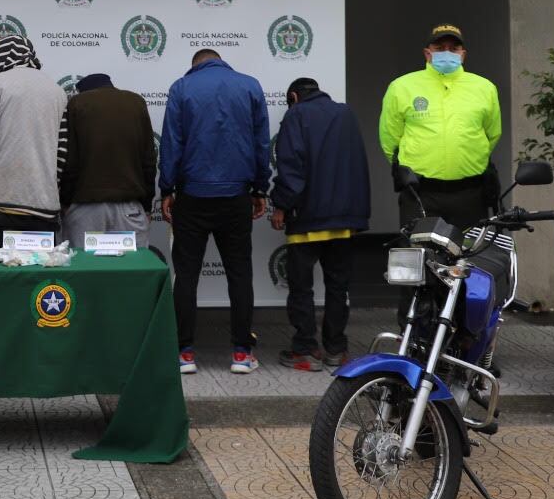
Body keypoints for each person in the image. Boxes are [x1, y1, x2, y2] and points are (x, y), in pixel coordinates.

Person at [159, 49, 270, 375]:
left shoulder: (182, 87)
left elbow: (171, 143)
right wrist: (260, 188)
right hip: (236, 195)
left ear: (195, 65)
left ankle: (184, 354)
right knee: (240, 273)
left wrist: (167, 188)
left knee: (186, 275)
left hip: (192, 194)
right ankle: (240, 353)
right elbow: (261, 143)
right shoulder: (249, 85)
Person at [270, 77, 371, 372]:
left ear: (293, 96)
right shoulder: (346, 113)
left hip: (307, 218)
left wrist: (282, 204)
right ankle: (336, 351)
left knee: (301, 288)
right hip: (344, 220)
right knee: (338, 287)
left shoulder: (296, 115)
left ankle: (305, 349)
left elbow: (291, 165)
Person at [379, 24, 502, 230]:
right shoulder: (401, 87)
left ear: (463, 55)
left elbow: (492, 134)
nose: (447, 53)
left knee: (469, 258)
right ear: (428, 53)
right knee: (423, 257)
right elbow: (390, 139)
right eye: (440, 48)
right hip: (421, 193)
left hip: (470, 194)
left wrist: (467, 158)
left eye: (453, 49)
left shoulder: (484, 88)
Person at [0, 35, 68, 248]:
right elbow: (62, 153)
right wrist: (50, 186)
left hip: (2, 203)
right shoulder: (57, 90)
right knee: (40, 278)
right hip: (45, 205)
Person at [60, 73, 156, 248]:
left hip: (85, 209)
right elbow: (148, 162)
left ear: (81, 91)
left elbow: (69, 162)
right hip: (130, 208)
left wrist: (66, 202)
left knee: (85, 271)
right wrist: (147, 206)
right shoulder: (137, 103)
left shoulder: (77, 104)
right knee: (133, 272)